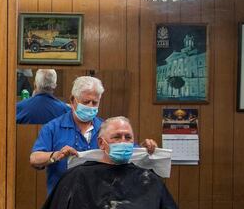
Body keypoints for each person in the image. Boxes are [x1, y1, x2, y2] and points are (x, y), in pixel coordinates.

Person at [38, 116, 188, 209]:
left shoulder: (149, 179)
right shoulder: (77, 177)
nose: (123, 142)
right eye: (116, 137)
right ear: (102, 143)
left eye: (128, 137)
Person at [29, 75, 157, 196]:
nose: (90, 106)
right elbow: (34, 159)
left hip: (100, 202)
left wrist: (145, 149)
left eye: (94, 103)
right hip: (63, 200)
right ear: (73, 100)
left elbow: (129, 152)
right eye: (86, 102)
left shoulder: (107, 128)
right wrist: (56, 155)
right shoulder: (53, 128)